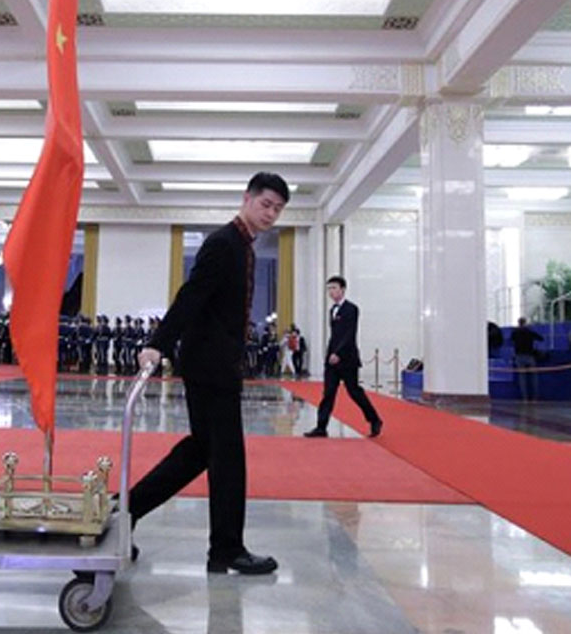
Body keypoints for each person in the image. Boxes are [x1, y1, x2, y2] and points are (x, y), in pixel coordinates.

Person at [128, 171, 289, 576]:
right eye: (265, 204)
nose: (270, 213)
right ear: (247, 199)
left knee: (200, 451)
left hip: (217, 364)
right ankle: (227, 550)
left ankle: (123, 511)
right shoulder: (224, 243)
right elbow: (191, 296)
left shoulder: (243, 245)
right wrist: (158, 343)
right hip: (210, 366)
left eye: (278, 209)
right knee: (228, 459)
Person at [305, 276, 383, 439]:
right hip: (332, 360)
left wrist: (338, 353)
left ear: (342, 289)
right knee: (328, 393)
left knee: (354, 392)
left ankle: (374, 419)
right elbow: (334, 336)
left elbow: (349, 335)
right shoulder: (332, 310)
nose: (331, 292)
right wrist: (330, 355)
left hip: (347, 359)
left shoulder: (351, 309)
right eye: (328, 289)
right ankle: (321, 426)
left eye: (334, 288)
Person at [510, 316, 544, 402]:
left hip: (519, 356)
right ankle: (534, 398)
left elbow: (511, 340)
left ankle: (524, 398)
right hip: (530, 356)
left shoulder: (515, 332)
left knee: (522, 378)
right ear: (525, 323)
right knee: (534, 378)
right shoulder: (530, 332)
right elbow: (541, 338)